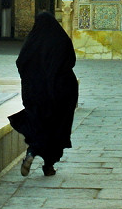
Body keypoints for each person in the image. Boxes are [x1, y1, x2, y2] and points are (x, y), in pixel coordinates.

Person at [8, 11, 78, 177]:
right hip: (61, 92)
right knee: (58, 126)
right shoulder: (61, 39)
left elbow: (20, 62)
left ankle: (33, 151)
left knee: (38, 122)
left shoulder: (33, 41)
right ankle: (49, 165)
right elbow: (71, 61)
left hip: (37, 92)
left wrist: (33, 78)